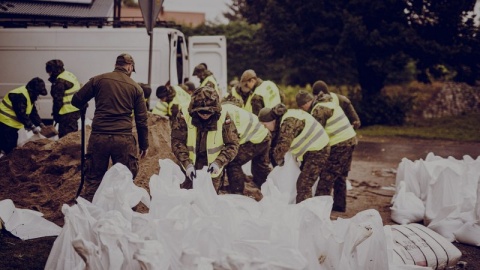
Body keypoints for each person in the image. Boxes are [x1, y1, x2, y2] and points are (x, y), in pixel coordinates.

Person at [71, 53, 149, 202]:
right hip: (123, 139)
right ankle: (125, 215)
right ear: (130, 67)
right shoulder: (136, 88)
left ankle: (89, 214)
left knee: (94, 179)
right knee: (125, 179)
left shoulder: (98, 80)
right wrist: (144, 145)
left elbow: (76, 101)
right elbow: (142, 120)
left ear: (116, 65)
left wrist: (85, 102)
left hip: (99, 137)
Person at [296, 90, 357, 212]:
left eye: (303, 107)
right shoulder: (328, 103)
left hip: (340, 144)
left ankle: (320, 210)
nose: (304, 110)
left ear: (307, 102)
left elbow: (314, 134)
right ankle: (339, 206)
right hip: (350, 140)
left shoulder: (319, 110)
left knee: (326, 177)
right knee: (340, 175)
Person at [170, 86, 239, 192]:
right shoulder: (184, 114)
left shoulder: (223, 116)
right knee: (185, 198)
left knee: (208, 202)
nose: (205, 115)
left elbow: (232, 144)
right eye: (201, 112)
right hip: (188, 166)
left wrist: (219, 162)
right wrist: (187, 164)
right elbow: (177, 141)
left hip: (213, 168)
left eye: (209, 112)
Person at [258, 103, 330, 203]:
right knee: (303, 180)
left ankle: (304, 214)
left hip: (319, 149)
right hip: (311, 150)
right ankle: (310, 207)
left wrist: (278, 161)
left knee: (304, 184)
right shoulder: (282, 120)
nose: (265, 128)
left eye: (265, 125)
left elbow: (283, 145)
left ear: (272, 120)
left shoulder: (288, 122)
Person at [221, 96, 272, 194]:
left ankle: (237, 192)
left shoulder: (221, 113)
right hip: (265, 135)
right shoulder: (233, 109)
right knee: (260, 168)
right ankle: (268, 191)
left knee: (233, 162)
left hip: (255, 138)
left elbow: (231, 143)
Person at [0, 77, 48, 155]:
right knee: (8, 147)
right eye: (37, 93)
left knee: (11, 146)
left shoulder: (29, 95)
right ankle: (3, 163)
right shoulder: (19, 96)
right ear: (33, 91)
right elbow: (21, 114)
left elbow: (33, 112)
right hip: (6, 123)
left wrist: (40, 124)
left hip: (12, 124)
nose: (38, 96)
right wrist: (32, 126)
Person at [45, 59, 81, 138]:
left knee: (65, 137)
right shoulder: (68, 74)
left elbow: (58, 101)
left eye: (49, 72)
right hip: (74, 110)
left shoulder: (60, 82)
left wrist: (56, 115)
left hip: (67, 113)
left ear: (53, 71)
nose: (49, 74)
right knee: (72, 136)